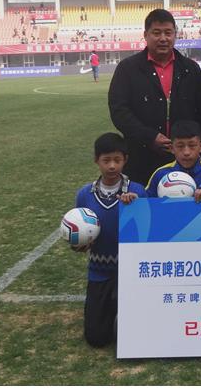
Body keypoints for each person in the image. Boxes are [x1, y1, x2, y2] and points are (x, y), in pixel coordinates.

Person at [109, 8, 201, 185]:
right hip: (140, 158)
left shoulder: (191, 69)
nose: (163, 38)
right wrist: (150, 137)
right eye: (156, 33)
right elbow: (119, 111)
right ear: (145, 35)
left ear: (175, 35)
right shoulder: (127, 69)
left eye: (168, 33)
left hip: (184, 161)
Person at [73, 133, 147, 347]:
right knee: (96, 338)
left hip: (132, 271)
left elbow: (147, 230)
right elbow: (79, 233)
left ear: (125, 160)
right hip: (100, 270)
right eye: (106, 160)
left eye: (117, 160)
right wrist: (78, 245)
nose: (112, 166)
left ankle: (122, 312)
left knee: (138, 335)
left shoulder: (137, 191)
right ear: (96, 160)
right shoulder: (85, 195)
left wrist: (136, 207)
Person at [146, 119, 201, 202]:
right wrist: (137, 193)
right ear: (171, 148)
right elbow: (146, 200)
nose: (186, 152)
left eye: (192, 145)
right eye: (180, 146)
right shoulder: (160, 173)